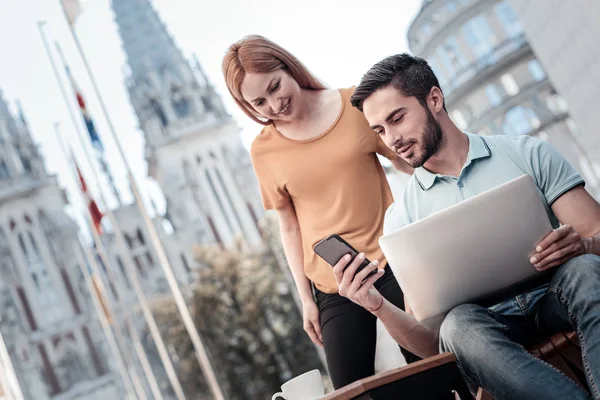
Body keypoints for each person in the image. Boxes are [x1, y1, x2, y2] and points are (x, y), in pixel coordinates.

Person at [333, 53, 600, 400]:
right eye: (380, 130)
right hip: (485, 332)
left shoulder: (527, 152)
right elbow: (432, 347)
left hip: (556, 296)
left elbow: (595, 235)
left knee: (586, 269)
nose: (392, 139)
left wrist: (583, 245)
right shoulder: (401, 219)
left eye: (397, 118)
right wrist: (376, 305)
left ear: (434, 98)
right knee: (456, 327)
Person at [221, 35, 419, 388]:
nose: (274, 104)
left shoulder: (354, 105)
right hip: (332, 284)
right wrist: (305, 300)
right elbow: (290, 228)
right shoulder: (263, 151)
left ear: (288, 66)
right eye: (259, 102)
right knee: (348, 391)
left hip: (393, 262)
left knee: (431, 368)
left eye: (275, 86)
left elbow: (409, 163)